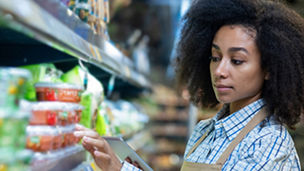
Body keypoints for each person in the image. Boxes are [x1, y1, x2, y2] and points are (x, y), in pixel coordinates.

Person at [74, 0, 304, 170]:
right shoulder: (205, 131)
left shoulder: (267, 144)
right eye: (215, 57)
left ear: (269, 69)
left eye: (236, 61)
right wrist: (117, 165)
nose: (220, 71)